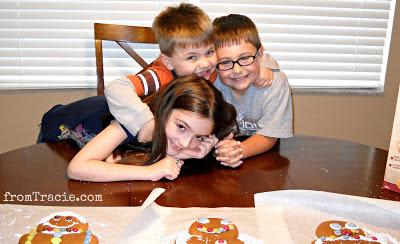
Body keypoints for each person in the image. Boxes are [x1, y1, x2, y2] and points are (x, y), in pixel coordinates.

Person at [105, 3, 276, 144]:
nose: (204, 64)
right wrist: (147, 124)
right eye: (192, 57)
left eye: (209, 52)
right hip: (127, 135)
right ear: (168, 61)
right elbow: (116, 88)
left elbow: (245, 54)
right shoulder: (160, 75)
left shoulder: (212, 69)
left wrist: (265, 68)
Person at [67, 75, 237, 182]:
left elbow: (119, 159)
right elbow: (78, 169)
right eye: (181, 127)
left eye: (199, 137)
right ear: (165, 108)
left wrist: (181, 153)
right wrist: (150, 172)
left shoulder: (173, 133)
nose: (185, 143)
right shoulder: (134, 120)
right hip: (58, 135)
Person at [212, 14, 293, 168]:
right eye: (225, 62)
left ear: (260, 54)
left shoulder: (275, 85)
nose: (237, 70)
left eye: (245, 58)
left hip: (263, 161)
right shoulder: (210, 83)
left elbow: (269, 134)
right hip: (216, 154)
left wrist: (238, 151)